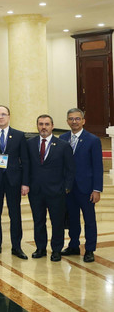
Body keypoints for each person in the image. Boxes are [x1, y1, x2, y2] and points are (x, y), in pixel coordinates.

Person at [0, 105, 29, 259]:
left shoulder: (19, 135)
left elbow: (26, 161)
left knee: (15, 214)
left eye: (4, 114)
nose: (1, 117)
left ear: (9, 116)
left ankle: (17, 247)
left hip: (14, 180)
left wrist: (25, 183)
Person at [27, 114, 74, 261]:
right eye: (41, 124)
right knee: (38, 221)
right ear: (37, 126)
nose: (43, 127)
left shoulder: (63, 145)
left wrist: (66, 188)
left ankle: (56, 249)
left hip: (56, 191)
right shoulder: (30, 143)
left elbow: (70, 169)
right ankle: (40, 248)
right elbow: (26, 166)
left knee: (57, 222)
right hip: (35, 191)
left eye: (47, 124)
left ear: (52, 126)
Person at [60, 108, 103, 263]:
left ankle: (90, 249)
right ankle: (73, 245)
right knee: (72, 219)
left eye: (77, 119)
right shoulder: (62, 138)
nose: (74, 122)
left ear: (83, 121)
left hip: (86, 188)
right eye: (71, 119)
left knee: (89, 219)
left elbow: (98, 166)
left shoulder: (93, 140)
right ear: (67, 121)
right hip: (68, 188)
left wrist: (97, 189)